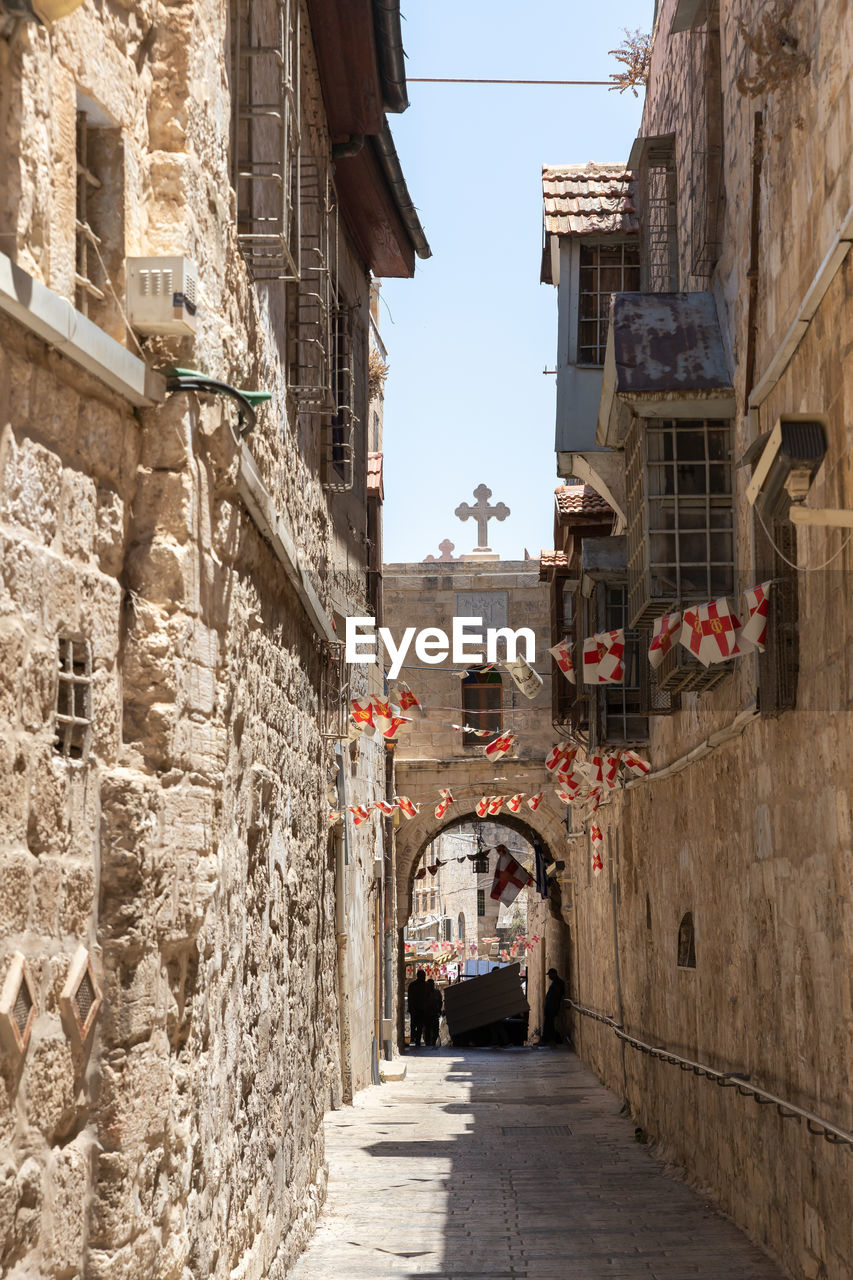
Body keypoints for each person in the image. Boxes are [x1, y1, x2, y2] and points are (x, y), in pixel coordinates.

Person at [542, 967, 565, 1045]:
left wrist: (553, 1006)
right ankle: (548, 1039)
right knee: (548, 1023)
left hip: (552, 1007)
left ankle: (550, 1040)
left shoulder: (558, 983)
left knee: (549, 1024)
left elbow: (557, 995)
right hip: (550, 1007)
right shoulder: (555, 982)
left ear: (554, 974)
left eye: (550, 975)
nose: (549, 977)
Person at [407, 969, 427, 1047]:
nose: (424, 977)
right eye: (423, 976)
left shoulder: (413, 985)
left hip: (418, 1009)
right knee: (416, 1025)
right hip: (417, 1009)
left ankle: (416, 1039)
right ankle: (415, 1038)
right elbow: (410, 998)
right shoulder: (424, 985)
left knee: (418, 1025)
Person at [424, 978, 442, 1046]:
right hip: (427, 1014)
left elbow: (440, 1002)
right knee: (427, 1030)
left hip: (435, 1013)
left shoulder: (437, 992)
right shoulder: (424, 993)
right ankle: (428, 1043)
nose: (432, 985)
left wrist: (439, 1010)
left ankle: (433, 1042)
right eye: (430, 984)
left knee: (436, 1030)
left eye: (432, 984)